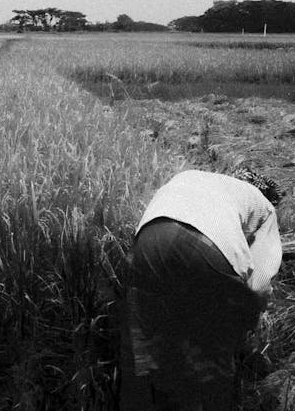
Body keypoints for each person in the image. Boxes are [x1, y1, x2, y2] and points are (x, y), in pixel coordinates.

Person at [120, 168, 283, 411]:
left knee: (154, 345)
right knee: (215, 357)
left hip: (149, 241)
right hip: (207, 249)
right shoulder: (265, 207)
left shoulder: (190, 175)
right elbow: (258, 285)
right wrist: (249, 319)